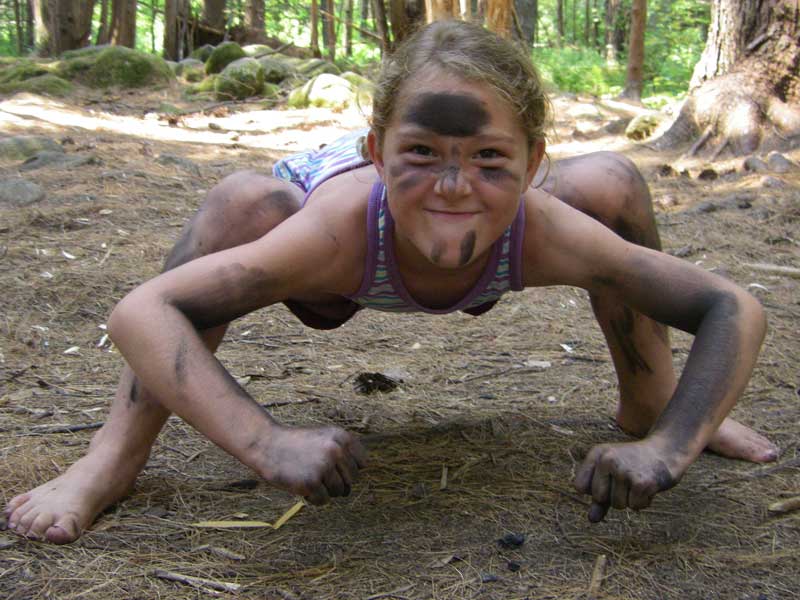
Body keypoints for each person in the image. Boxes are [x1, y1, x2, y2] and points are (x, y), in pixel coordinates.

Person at [3, 20, 778, 544]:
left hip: (491, 254)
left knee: (612, 178)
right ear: (377, 151)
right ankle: (110, 458)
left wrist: (673, 445)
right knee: (242, 202)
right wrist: (265, 443)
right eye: (421, 154)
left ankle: (649, 398)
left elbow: (731, 307)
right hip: (334, 277)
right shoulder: (333, 226)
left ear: (534, 163)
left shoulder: (544, 226)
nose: (452, 186)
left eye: (488, 159)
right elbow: (142, 312)